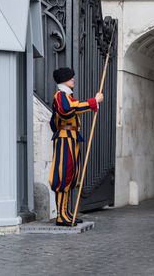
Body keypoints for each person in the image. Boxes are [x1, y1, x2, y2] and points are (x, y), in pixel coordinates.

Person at [48, 67, 104, 226]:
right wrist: (93, 102)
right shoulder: (60, 96)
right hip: (64, 138)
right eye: (70, 77)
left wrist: (92, 103)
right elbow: (68, 110)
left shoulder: (67, 96)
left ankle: (66, 212)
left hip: (71, 138)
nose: (73, 79)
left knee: (70, 176)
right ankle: (61, 216)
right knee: (63, 175)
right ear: (64, 79)